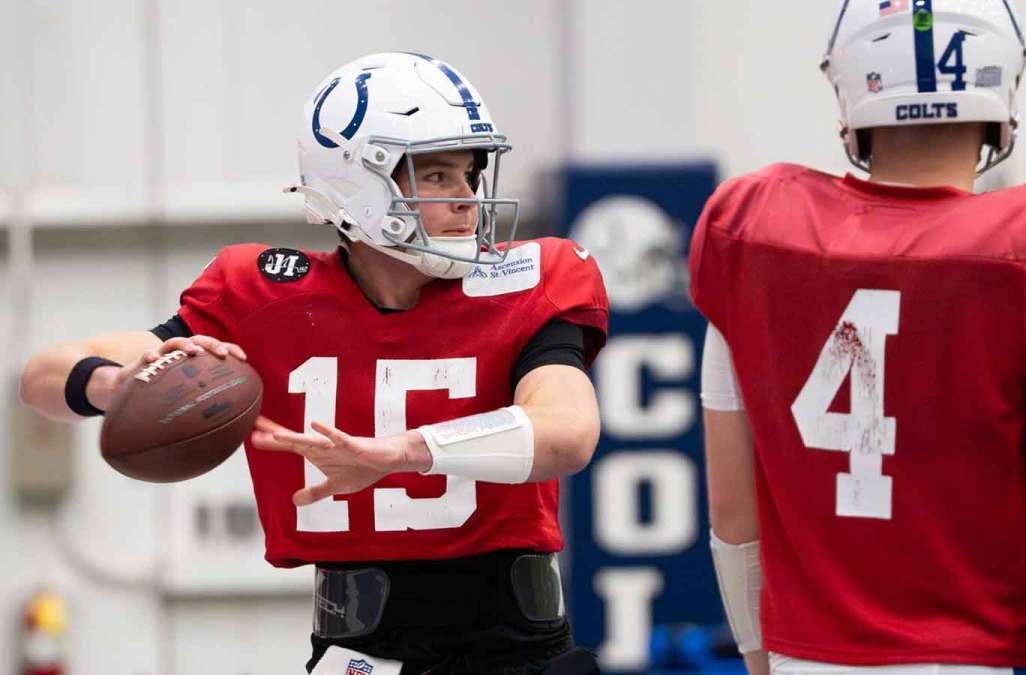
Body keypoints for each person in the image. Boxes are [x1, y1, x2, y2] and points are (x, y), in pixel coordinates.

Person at [19, 52, 608, 675]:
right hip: (355, 657)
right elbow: (41, 379)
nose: (467, 199)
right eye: (436, 177)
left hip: (519, 654)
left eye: (469, 173)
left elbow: (568, 433)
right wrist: (126, 383)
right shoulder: (262, 294)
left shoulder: (526, 278)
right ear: (358, 186)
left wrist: (403, 453)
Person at [692, 2, 1026, 674]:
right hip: (980, 658)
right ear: (1000, 87)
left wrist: (766, 662)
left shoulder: (749, 232)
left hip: (804, 660)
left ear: (851, 89)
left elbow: (733, 520)